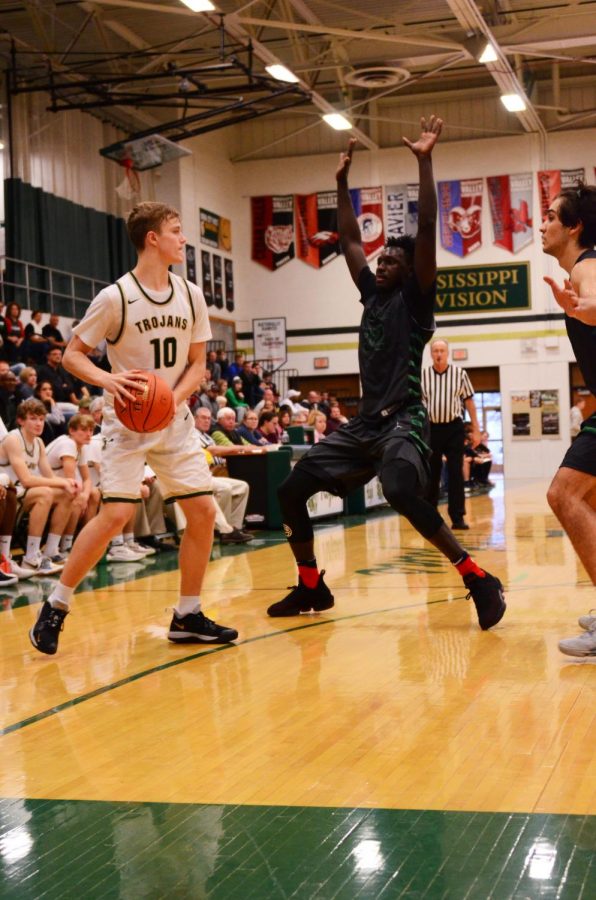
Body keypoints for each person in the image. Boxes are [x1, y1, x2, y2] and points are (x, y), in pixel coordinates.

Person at [267, 118, 505, 631]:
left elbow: (422, 233)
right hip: (365, 423)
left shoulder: (417, 302)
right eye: (380, 260)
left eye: (391, 260)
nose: (380, 263)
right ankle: (311, 584)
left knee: (399, 490)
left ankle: (477, 576)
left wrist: (424, 160)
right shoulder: (371, 293)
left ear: (408, 268)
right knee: (288, 492)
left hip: (405, 420)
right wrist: (339, 184)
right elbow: (351, 238)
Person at [28, 200, 238, 655]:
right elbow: (72, 355)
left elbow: (198, 364)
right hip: (125, 422)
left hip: (174, 420)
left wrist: (170, 403)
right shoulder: (115, 297)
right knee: (116, 515)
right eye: (177, 231)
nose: (184, 239)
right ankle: (56, 605)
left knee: (201, 511)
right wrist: (108, 380)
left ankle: (188, 614)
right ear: (153, 239)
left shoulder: (191, 294)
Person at [541, 183, 596, 656]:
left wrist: (584, 308)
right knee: (590, 501)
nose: (543, 224)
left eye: (551, 216)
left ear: (574, 226)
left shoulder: (587, 267)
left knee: (564, 494)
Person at [0, 398, 79, 576]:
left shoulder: (39, 443)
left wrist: (66, 485)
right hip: (9, 493)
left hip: (23, 493)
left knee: (67, 494)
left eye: (42, 419)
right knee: (45, 493)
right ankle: (30, 557)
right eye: (33, 418)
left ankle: (51, 552)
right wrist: (64, 481)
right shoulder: (13, 439)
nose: (39, 423)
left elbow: (49, 476)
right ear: (20, 420)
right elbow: (27, 480)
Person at [421, 339, 481, 529]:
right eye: (435, 350)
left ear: (448, 353)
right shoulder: (423, 376)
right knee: (432, 472)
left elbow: (470, 402)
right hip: (432, 428)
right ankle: (430, 516)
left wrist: (476, 429)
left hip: (454, 428)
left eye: (442, 350)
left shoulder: (459, 374)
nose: (439, 354)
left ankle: (457, 517)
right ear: (431, 354)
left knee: (456, 472)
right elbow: (416, 404)